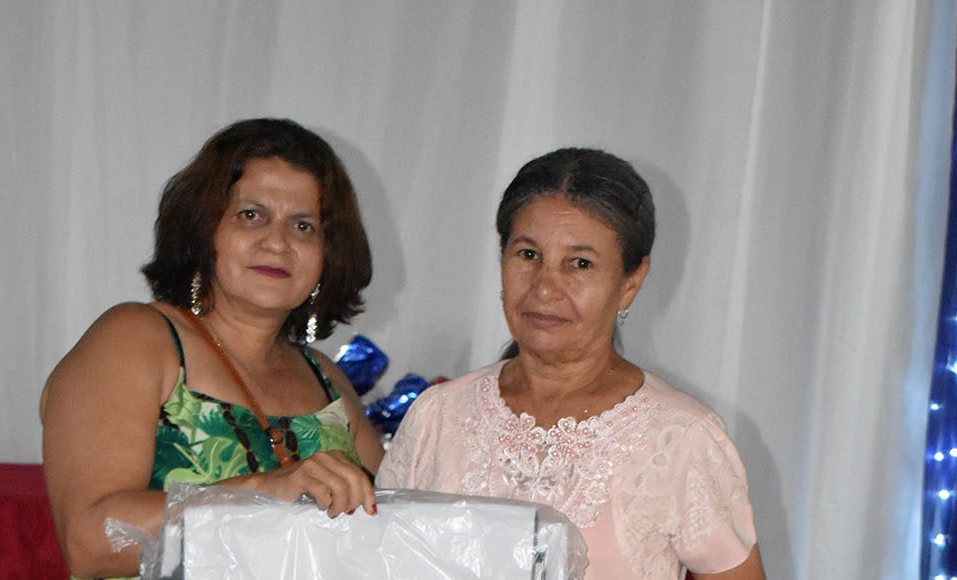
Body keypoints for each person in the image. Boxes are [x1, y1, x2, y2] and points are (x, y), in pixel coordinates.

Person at [377, 148, 765, 580]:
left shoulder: (682, 438)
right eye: (528, 255)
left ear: (631, 282)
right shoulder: (437, 417)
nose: (545, 288)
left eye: (580, 263)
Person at [41, 118, 383, 579]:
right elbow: (91, 540)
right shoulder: (136, 338)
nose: (278, 242)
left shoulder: (327, 380)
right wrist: (263, 492)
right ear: (204, 229)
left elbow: (393, 528)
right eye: (251, 215)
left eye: (303, 225)